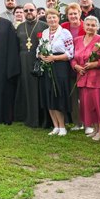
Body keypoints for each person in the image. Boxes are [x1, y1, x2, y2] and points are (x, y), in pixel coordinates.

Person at [70, 16, 100, 141]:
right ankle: (95, 129)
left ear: (97, 27)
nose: (90, 27)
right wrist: (76, 66)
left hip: (98, 79)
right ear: (83, 26)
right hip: (83, 78)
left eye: (93, 25)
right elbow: (73, 57)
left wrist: (94, 64)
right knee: (88, 105)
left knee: (99, 105)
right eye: (88, 25)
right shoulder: (77, 40)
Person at [38, 8, 74, 136]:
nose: (51, 20)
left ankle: (62, 126)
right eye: (49, 17)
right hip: (48, 66)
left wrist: (55, 58)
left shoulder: (65, 33)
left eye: (54, 17)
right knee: (49, 95)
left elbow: (70, 53)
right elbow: (39, 48)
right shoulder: (44, 32)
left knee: (58, 95)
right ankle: (55, 126)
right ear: (46, 19)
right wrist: (41, 55)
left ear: (58, 18)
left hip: (60, 66)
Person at [14, 3, 47, 128]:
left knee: (38, 89)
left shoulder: (44, 26)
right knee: (26, 88)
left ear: (36, 11)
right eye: (26, 10)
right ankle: (28, 116)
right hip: (23, 60)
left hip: (38, 60)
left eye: (31, 10)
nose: (29, 12)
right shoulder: (20, 27)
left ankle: (41, 119)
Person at [61, 2, 84, 130]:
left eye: (75, 13)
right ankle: (77, 122)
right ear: (67, 15)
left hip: (83, 65)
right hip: (68, 65)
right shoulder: (63, 27)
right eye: (70, 14)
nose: (73, 16)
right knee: (73, 95)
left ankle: (89, 123)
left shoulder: (86, 26)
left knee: (85, 96)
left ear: (80, 14)